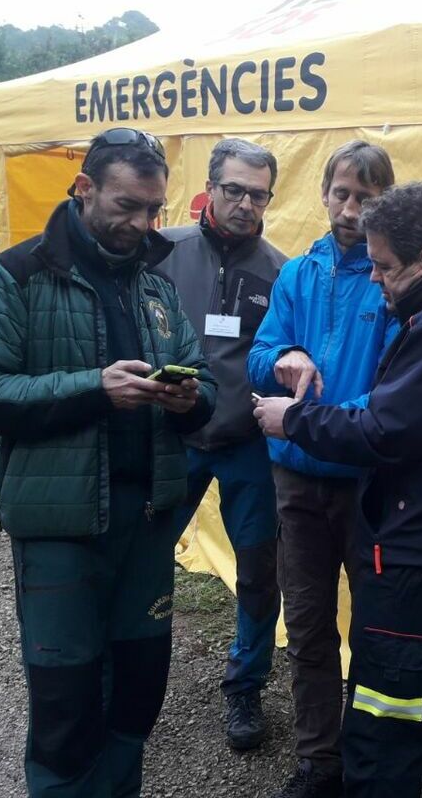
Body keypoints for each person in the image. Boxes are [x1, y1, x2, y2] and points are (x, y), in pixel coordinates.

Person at [0, 127, 216, 798]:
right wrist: (93, 387)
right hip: (61, 528)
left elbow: (206, 385)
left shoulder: (154, 288)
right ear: (84, 187)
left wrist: (188, 398)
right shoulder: (12, 277)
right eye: (127, 205)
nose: (143, 223)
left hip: (148, 520)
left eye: (153, 209)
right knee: (67, 704)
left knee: (137, 691)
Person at [253, 181, 422, 798]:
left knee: (382, 725)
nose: (374, 279)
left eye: (385, 266)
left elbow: (382, 429)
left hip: (415, 562)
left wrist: (291, 418)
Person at [247, 140, 398, 798]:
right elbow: (259, 357)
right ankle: (319, 762)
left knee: (373, 631)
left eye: (366, 198)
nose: (350, 208)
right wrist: (288, 357)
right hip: (296, 482)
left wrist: (331, 424)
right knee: (308, 627)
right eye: (341, 193)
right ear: (324, 194)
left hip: (367, 485)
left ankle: (368, 761)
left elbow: (398, 393)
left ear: (384, 204)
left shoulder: (393, 280)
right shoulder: (297, 274)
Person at [156, 138, 288, 750]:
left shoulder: (279, 271)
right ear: (209, 186)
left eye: (256, 194)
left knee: (260, 570)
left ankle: (246, 686)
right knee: (142, 555)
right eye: (232, 189)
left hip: (247, 446)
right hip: (170, 436)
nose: (243, 204)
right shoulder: (162, 252)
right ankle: (125, 668)